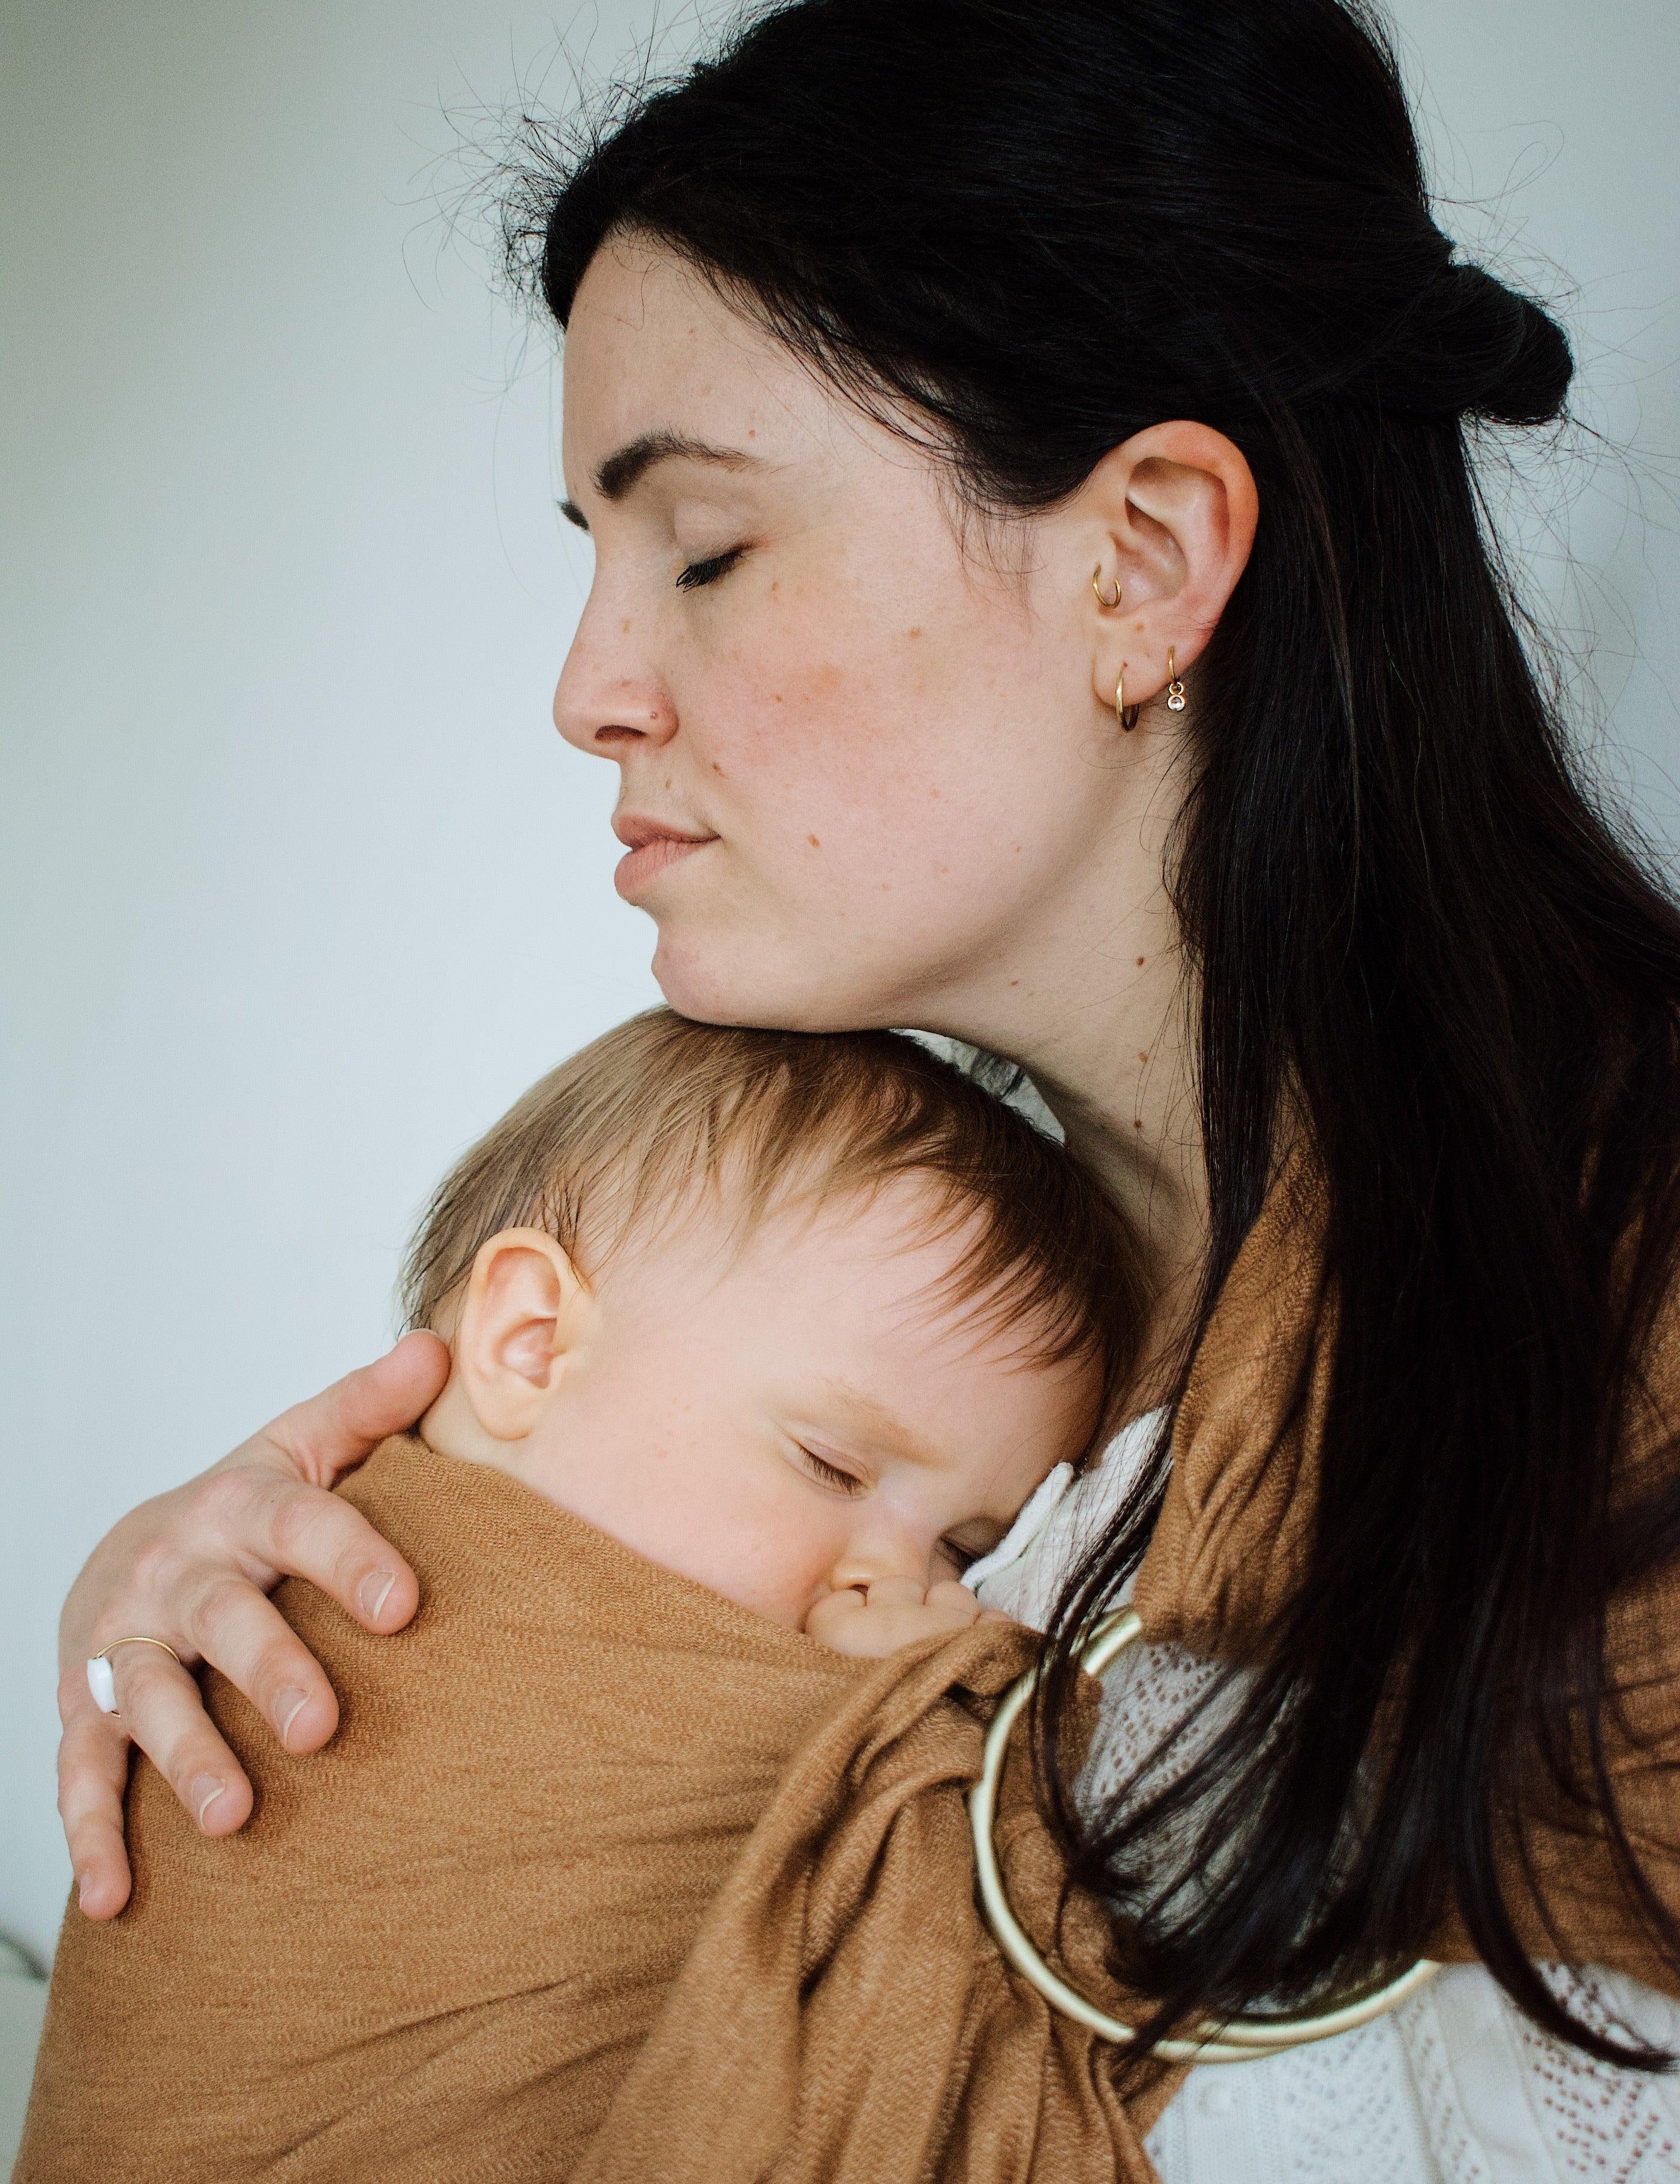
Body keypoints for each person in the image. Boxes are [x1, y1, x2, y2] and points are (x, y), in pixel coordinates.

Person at [51, 0, 1680, 2175]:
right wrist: (319, 1671)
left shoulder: (1609, 1336)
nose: (585, 691)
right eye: (590, 560)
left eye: (703, 549)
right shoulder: (853, 1281)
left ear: (1148, 560)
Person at [19, 1011, 1157, 2179]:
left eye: (967, 1546)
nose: (911, 1585)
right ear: (528, 1341)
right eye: (831, 1464)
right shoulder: (324, 1575)